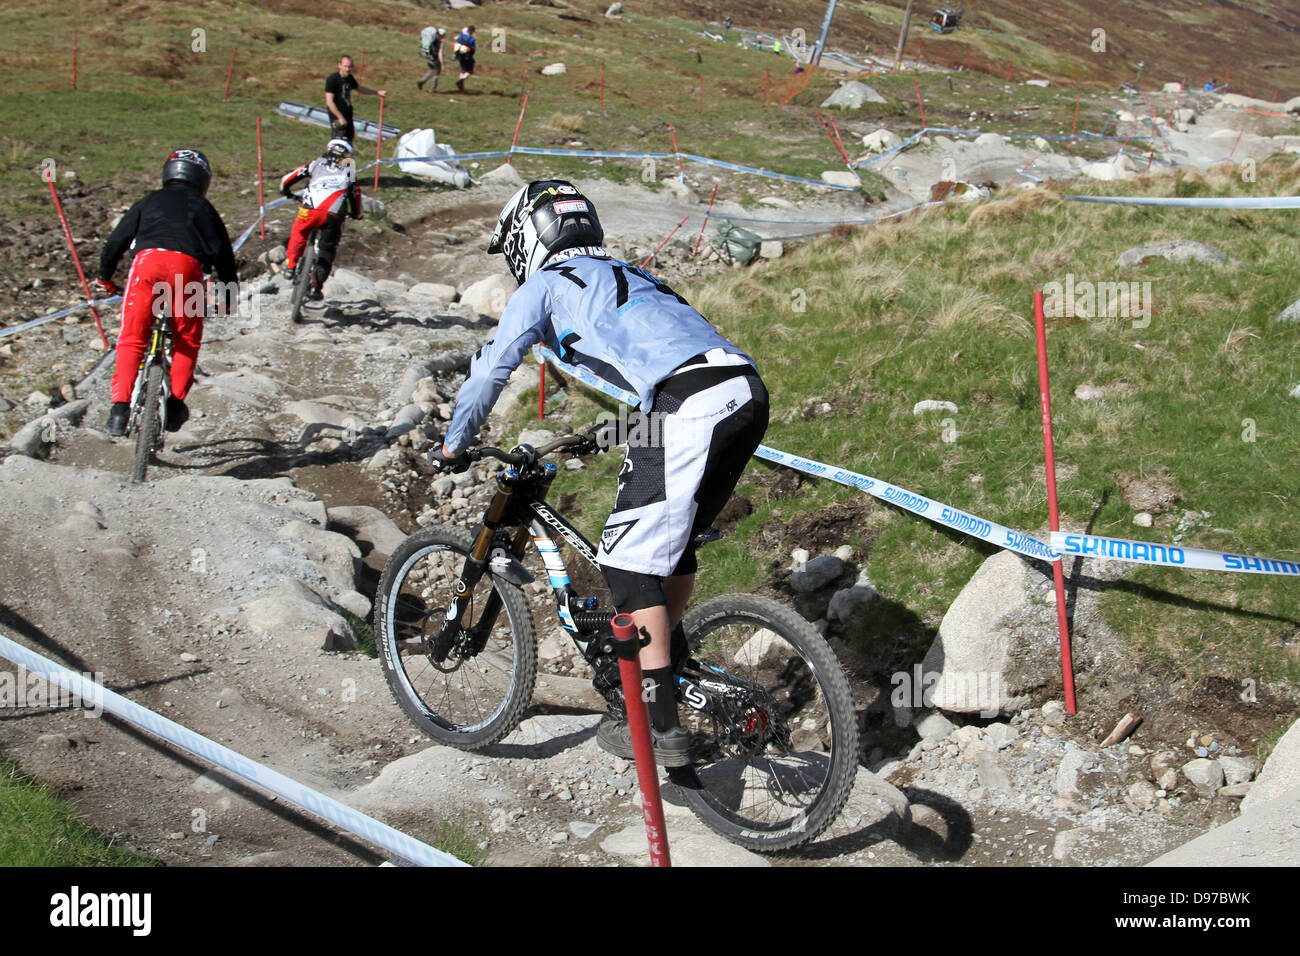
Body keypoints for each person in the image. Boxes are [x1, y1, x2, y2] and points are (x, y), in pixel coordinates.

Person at [430, 181, 769, 765]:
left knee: (624, 562)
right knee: (672, 550)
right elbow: (661, 361)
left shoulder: (543, 286)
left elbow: (490, 371)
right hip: (745, 391)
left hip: (687, 403)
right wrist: (611, 432)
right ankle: (661, 657)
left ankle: (656, 726)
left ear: (524, 239)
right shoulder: (629, 274)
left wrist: (455, 444)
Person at [94, 149, 238, 437]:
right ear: (202, 180)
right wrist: (228, 298)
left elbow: (116, 241)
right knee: (187, 340)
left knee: (132, 340)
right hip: (188, 269)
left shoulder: (149, 200)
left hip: (148, 264)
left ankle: (119, 409)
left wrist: (105, 277)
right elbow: (225, 258)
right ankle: (175, 402)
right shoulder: (206, 209)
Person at [279, 138, 362, 301]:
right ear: (347, 155)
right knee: (327, 249)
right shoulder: (350, 169)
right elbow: (356, 195)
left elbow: (288, 179)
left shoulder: (317, 163)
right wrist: (357, 213)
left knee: (299, 233)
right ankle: (316, 285)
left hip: (310, 210)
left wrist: (286, 191)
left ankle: (290, 266)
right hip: (334, 214)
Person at [325, 54, 386, 142]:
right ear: (339, 65)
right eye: (345, 66)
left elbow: (358, 88)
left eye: (350, 67)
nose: (348, 69)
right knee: (339, 141)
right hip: (337, 116)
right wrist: (340, 117)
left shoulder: (349, 78)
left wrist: (376, 92)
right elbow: (329, 101)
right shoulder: (332, 79)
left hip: (348, 114)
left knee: (349, 139)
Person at [418, 26, 446, 92]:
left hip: (429, 57)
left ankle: (422, 81)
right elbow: (440, 54)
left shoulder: (431, 39)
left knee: (431, 70)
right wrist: (442, 64)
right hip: (435, 59)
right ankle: (432, 89)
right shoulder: (440, 43)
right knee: (436, 73)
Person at [451, 26, 476, 92]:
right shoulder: (472, 39)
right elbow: (473, 49)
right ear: (472, 31)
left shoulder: (460, 36)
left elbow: (456, 44)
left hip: (460, 56)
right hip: (468, 56)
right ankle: (460, 81)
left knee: (462, 70)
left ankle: (461, 86)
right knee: (470, 71)